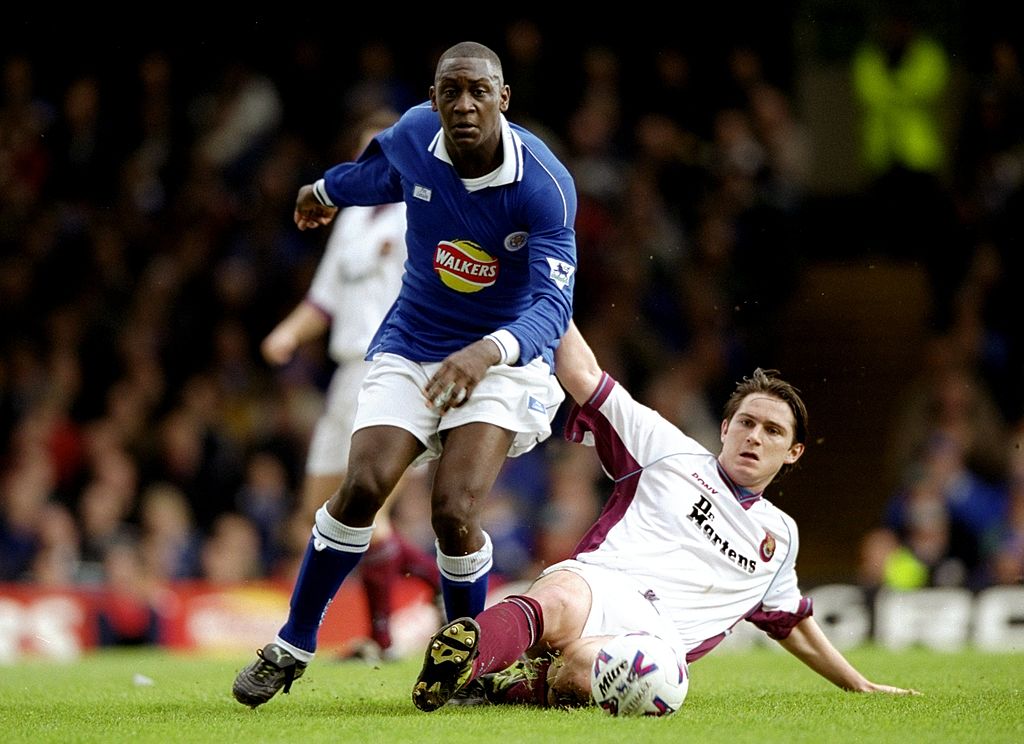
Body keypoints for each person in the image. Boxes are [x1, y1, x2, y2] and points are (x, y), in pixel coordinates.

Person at [233, 41, 577, 708]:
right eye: (453, 91)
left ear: (504, 98)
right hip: (413, 342)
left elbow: (553, 305)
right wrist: (324, 189)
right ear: (434, 98)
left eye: (480, 91)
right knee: (360, 485)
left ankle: (459, 654)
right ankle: (292, 645)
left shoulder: (545, 183)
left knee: (453, 508)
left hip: (500, 357)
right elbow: (381, 174)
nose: (465, 104)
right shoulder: (418, 132)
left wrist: (486, 353)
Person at [411, 320, 919, 712]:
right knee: (559, 597)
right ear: (724, 428)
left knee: (624, 674)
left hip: (653, 642)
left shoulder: (780, 537)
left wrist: (860, 683)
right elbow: (585, 375)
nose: (755, 437)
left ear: (793, 452)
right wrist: (550, 293)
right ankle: (463, 668)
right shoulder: (667, 450)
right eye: (746, 422)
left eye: (772, 431)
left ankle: (517, 683)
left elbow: (793, 623)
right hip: (603, 583)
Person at [258, 108, 441, 661]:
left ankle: (382, 637)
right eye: (366, 156)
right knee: (322, 514)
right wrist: (286, 335)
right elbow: (325, 299)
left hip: (392, 369)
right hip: (345, 375)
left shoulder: (422, 213)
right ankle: (434, 587)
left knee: (368, 509)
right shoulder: (351, 220)